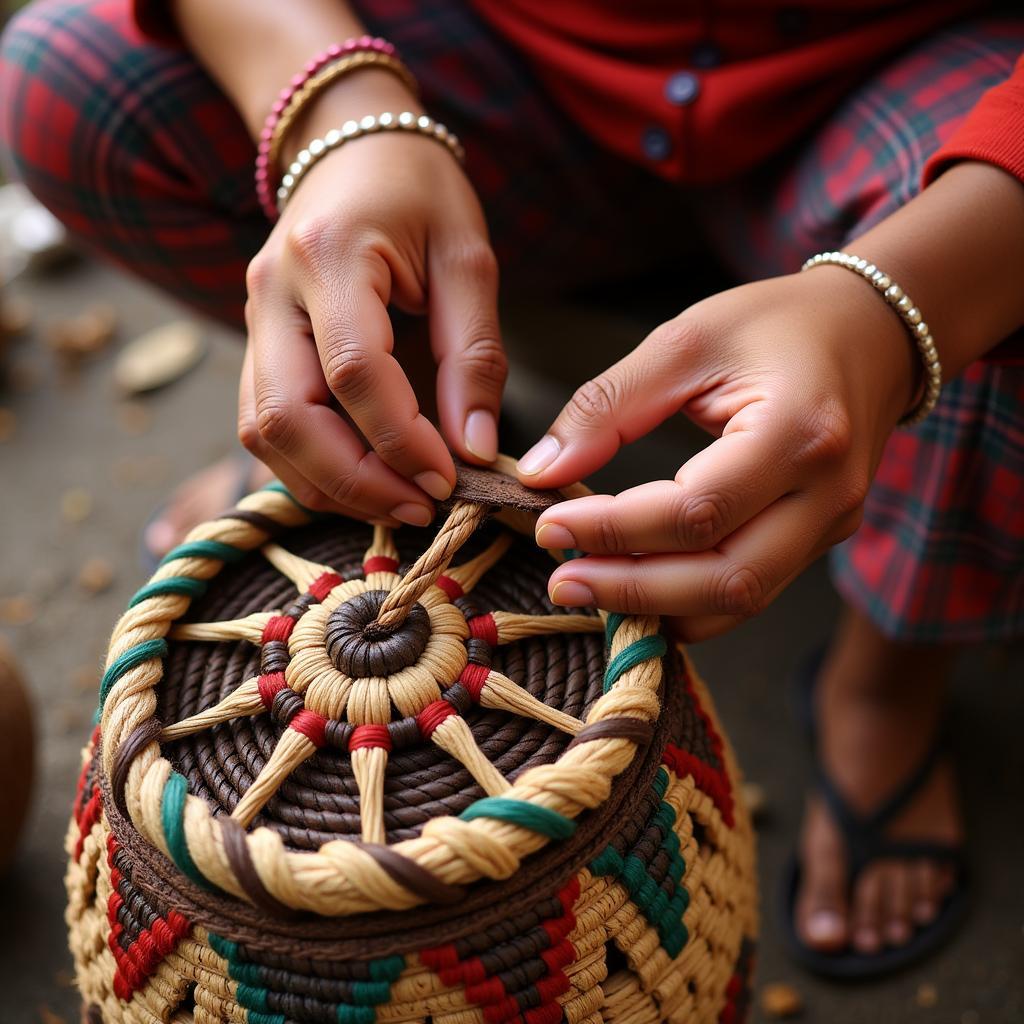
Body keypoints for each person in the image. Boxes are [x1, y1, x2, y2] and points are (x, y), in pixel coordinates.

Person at [2, 0, 1022, 979]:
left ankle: (886, 676)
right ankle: (401, 440)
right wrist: (340, 109)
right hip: (519, 59)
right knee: (70, 79)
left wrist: (896, 310)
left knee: (997, 315)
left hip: (905, 82)